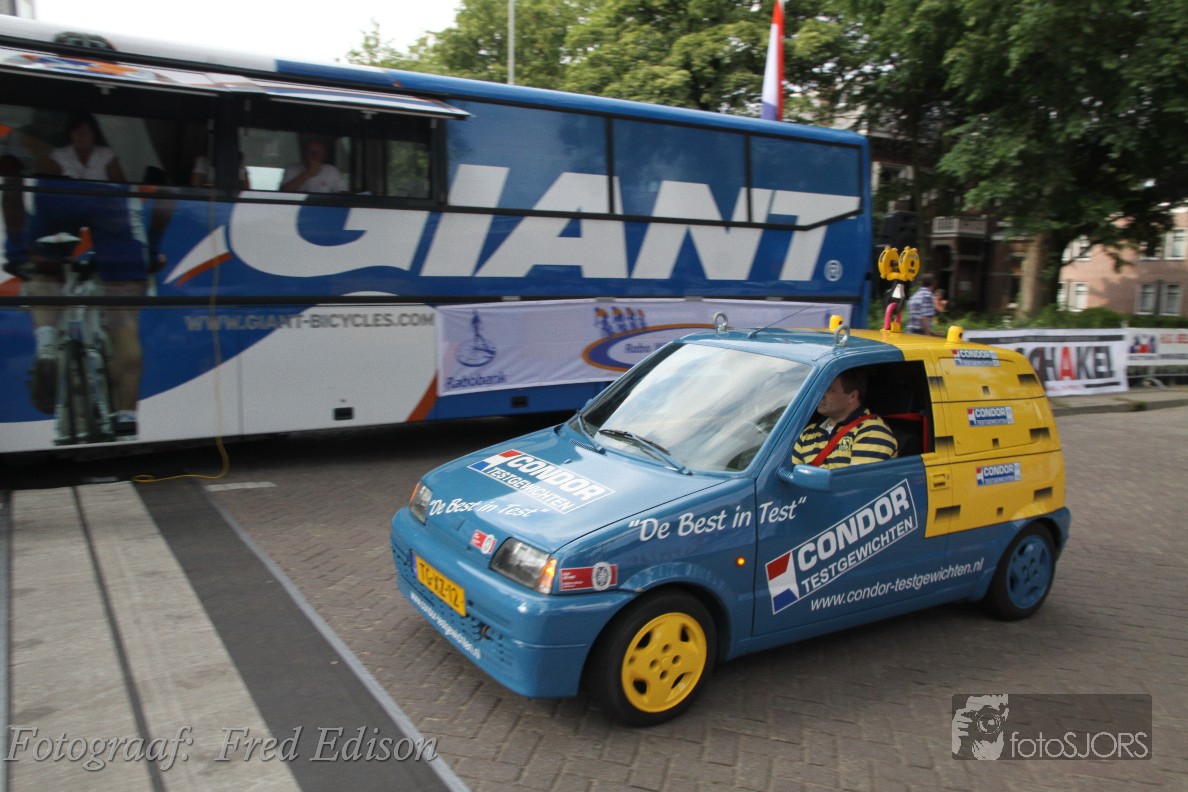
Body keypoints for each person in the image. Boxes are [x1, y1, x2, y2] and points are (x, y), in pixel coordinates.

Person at [791, 370, 897, 468]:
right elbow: (790, 477)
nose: (821, 395)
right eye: (821, 389)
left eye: (829, 390)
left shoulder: (872, 432)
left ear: (852, 396)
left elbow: (859, 481)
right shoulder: (808, 432)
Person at [41, 113, 125, 182]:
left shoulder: (106, 154)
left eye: (85, 132)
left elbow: (122, 186)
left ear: (94, 134)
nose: (80, 136)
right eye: (76, 132)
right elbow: (48, 185)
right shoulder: (59, 155)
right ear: (70, 134)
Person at [279, 137, 346, 193]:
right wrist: (307, 173)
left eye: (318, 152)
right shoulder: (291, 169)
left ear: (323, 155)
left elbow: (343, 193)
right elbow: (283, 192)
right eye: (311, 151)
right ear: (304, 154)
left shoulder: (331, 171)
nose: (314, 155)